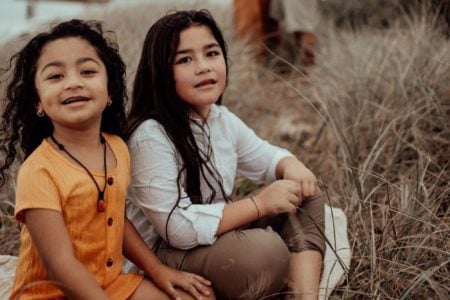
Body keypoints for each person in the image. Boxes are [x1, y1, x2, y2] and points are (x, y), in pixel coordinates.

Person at [0, 19, 214, 300]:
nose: (73, 83)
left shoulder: (116, 148)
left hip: (110, 285)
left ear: (110, 91)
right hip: (50, 293)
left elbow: (116, 220)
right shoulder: (39, 171)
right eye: (55, 77)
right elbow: (59, 265)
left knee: (198, 297)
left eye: (87, 71)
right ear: (37, 102)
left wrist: (159, 271)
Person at [126, 10, 325, 300]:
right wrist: (259, 204)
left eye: (211, 53)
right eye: (185, 59)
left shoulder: (219, 118)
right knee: (265, 255)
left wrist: (290, 165)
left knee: (308, 191)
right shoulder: (150, 136)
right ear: (160, 73)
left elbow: (267, 157)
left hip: (213, 237)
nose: (203, 67)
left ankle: (305, 296)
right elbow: (176, 228)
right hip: (164, 254)